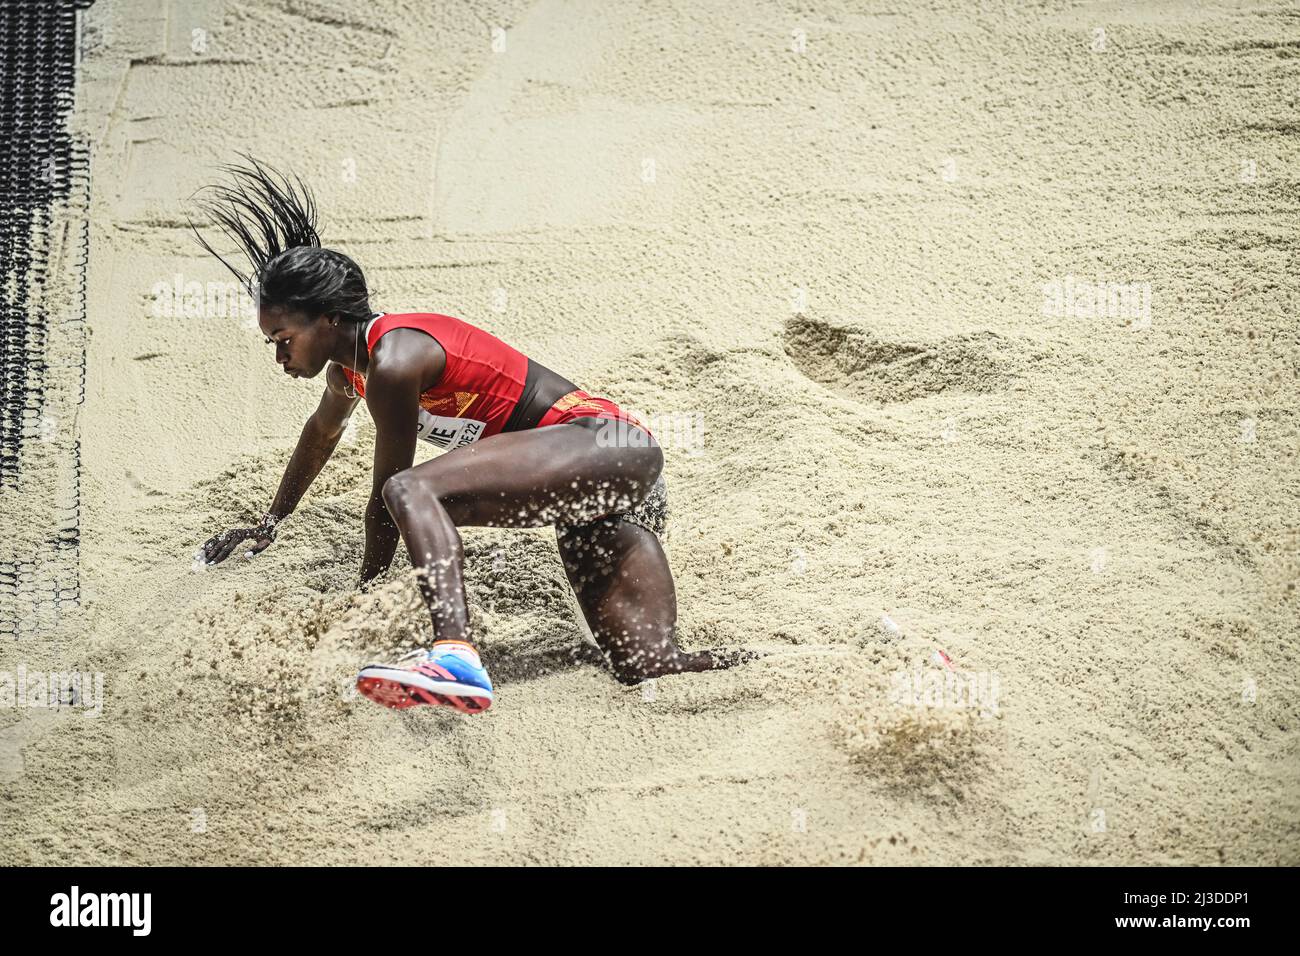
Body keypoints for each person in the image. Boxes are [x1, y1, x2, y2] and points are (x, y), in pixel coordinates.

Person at [192, 159, 752, 714]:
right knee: (645, 665)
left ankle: (455, 656)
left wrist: (364, 597)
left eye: (283, 337)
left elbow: (391, 495)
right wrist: (272, 521)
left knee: (409, 491)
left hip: (605, 445)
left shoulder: (395, 358)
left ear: (328, 320)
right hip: (594, 494)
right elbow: (320, 434)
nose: (279, 355)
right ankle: (773, 662)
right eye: (272, 342)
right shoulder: (352, 372)